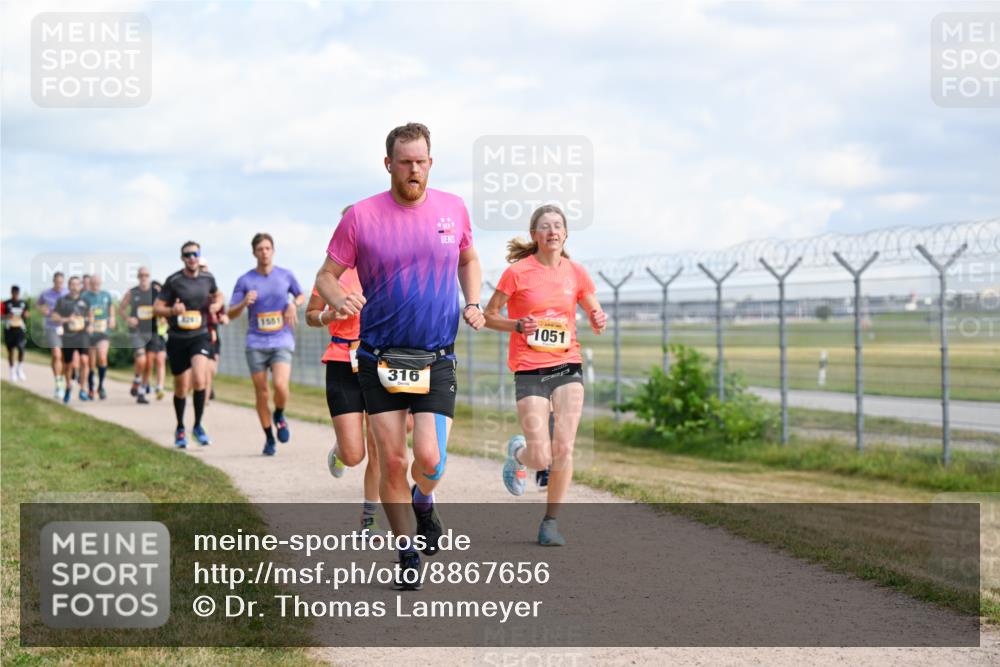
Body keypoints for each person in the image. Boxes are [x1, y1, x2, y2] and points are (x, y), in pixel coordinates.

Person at [315, 123, 484, 589]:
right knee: (390, 460)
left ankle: (423, 502)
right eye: (405, 161)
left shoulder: (453, 208)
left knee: (430, 460)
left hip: (437, 355)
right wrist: (339, 298)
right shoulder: (362, 217)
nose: (414, 170)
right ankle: (406, 550)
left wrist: (472, 302)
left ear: (431, 162)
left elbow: (468, 259)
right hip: (379, 356)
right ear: (388, 163)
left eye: (421, 161)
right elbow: (327, 274)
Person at [483, 204, 606, 546]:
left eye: (558, 226)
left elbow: (593, 310)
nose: (552, 231)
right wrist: (517, 325)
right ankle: (520, 455)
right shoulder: (518, 273)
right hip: (529, 368)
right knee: (542, 456)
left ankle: (551, 522)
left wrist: (597, 318)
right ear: (535, 235)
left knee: (564, 447)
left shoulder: (576, 273)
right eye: (545, 226)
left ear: (566, 234)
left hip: (567, 364)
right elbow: (489, 315)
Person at [228, 233, 305, 455]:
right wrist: (244, 302)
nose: (264, 252)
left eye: (268, 248)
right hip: (256, 342)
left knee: (280, 385)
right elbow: (231, 313)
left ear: (273, 250)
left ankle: (279, 413)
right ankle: (269, 438)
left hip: (281, 339)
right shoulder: (245, 280)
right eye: (260, 249)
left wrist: (292, 304)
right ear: (254, 252)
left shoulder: (285, 275)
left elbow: (300, 295)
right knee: (262, 393)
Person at [154, 241, 224, 448]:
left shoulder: (207, 278)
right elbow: (157, 308)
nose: (192, 257)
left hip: (200, 335)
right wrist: (172, 312)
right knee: (181, 387)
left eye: (195, 254)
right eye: (187, 255)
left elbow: (217, 293)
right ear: (182, 258)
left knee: (200, 378)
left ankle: (198, 425)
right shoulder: (174, 281)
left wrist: (218, 304)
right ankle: (180, 428)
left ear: (199, 255)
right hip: (177, 338)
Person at [120, 267, 165, 404]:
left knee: (150, 363)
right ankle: (137, 379)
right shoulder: (132, 292)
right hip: (137, 331)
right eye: (141, 275)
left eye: (146, 275)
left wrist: (163, 317)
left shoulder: (156, 292)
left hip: (153, 331)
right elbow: (121, 308)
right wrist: (128, 319)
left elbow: (163, 306)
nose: (144, 277)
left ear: (149, 276)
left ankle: (141, 391)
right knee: (141, 360)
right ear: (138, 277)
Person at [50, 276, 93, 403]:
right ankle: (68, 387)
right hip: (68, 336)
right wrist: (66, 320)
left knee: (85, 360)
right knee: (68, 365)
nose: (75, 287)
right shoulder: (62, 301)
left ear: (80, 286)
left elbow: (91, 315)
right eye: (72, 284)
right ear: (68, 287)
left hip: (82, 335)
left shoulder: (85, 301)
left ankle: (83, 389)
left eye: (77, 284)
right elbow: (54, 317)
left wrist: (90, 324)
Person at [82, 274, 115, 400]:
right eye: (93, 283)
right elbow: (80, 311)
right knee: (91, 363)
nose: (96, 285)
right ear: (90, 283)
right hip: (90, 333)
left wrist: (112, 318)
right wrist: (87, 323)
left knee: (102, 357)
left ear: (101, 283)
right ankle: (91, 387)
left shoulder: (106, 295)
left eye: (98, 283)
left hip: (103, 332)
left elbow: (111, 307)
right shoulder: (84, 296)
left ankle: (100, 386)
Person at [37, 272, 68, 398]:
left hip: (66, 329)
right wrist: (42, 310)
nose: (59, 284)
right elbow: (38, 304)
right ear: (53, 282)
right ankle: (59, 384)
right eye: (57, 282)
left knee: (64, 358)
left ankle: (64, 380)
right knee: (56, 354)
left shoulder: (68, 293)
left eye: (61, 282)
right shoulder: (46, 293)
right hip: (51, 327)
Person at [199, 257, 227, 401]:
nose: (202, 270)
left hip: (213, 336)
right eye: (200, 267)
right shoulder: (192, 293)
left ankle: (207, 390)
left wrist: (223, 318)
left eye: (204, 267)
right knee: (204, 371)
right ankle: (203, 403)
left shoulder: (217, 295)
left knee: (212, 371)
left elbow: (224, 316)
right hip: (197, 335)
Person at [2, 285, 29, 381]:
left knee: (21, 348)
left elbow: (26, 314)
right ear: (11, 292)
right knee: (11, 351)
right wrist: (6, 316)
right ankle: (12, 371)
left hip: (20, 329)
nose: (16, 295)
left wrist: (26, 315)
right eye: (14, 293)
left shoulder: (23, 303)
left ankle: (19, 369)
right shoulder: (5, 303)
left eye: (17, 293)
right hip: (9, 329)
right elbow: (1, 316)